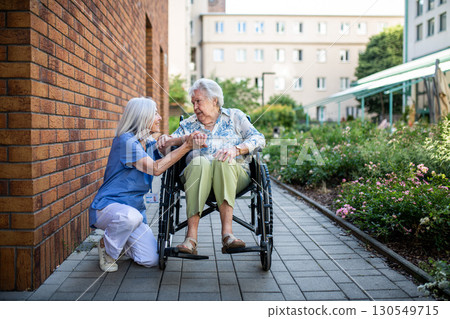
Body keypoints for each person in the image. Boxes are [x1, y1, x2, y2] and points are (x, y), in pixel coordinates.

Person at [89, 97, 206, 272]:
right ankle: (106, 247)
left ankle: (120, 241)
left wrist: (188, 138)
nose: (159, 118)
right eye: (156, 113)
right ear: (143, 117)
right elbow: (156, 168)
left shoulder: (147, 143)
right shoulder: (126, 142)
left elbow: (167, 146)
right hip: (108, 207)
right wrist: (187, 147)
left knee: (150, 259)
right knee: (130, 218)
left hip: (134, 211)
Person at [157, 78, 265, 255]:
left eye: (198, 101)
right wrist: (168, 141)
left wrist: (236, 149)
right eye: (193, 103)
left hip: (234, 176)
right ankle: (191, 239)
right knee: (200, 162)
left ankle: (227, 235)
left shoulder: (235, 117)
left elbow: (259, 139)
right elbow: (166, 150)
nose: (195, 107)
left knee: (223, 160)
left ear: (214, 100)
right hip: (196, 177)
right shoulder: (188, 124)